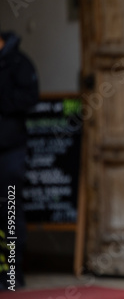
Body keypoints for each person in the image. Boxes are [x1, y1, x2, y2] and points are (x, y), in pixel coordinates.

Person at [0, 28, 39, 290]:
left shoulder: (19, 62)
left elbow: (29, 97)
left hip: (10, 150)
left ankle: (12, 273)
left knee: (10, 210)